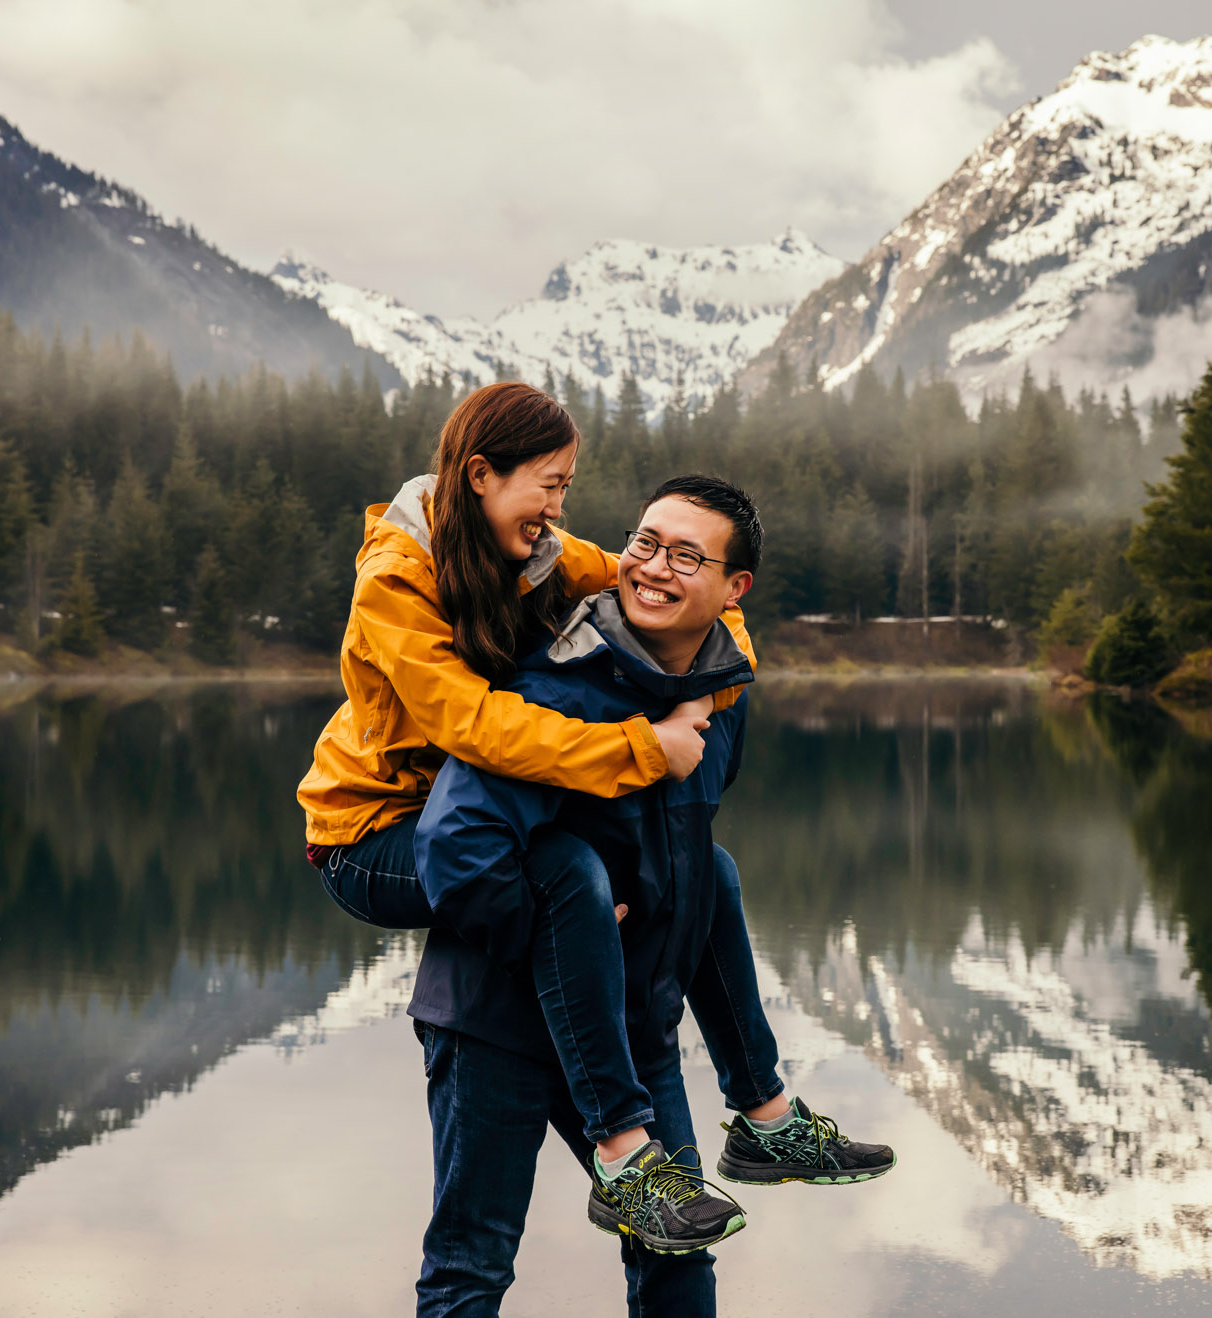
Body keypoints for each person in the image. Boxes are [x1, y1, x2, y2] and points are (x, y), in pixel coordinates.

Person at [294, 387, 892, 1245]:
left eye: (567, 488)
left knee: (711, 871)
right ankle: (622, 1150)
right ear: (480, 476)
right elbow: (474, 726)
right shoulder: (396, 581)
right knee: (567, 877)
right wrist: (643, 749)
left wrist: (718, 682)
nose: (558, 509)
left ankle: (763, 1111)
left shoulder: (533, 549)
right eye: (550, 484)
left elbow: (673, 591)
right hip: (371, 833)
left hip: (472, 809)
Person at [409, 477, 890, 1316]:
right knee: (471, 1269)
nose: (653, 568)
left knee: (680, 1263)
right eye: (643, 543)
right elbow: (455, 847)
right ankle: (746, 1117)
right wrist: (565, 937)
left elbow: (680, 854)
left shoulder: (718, 701)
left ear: (734, 590)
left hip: (634, 1030)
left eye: (686, 556)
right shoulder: (556, 685)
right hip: (497, 1025)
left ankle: (765, 1113)